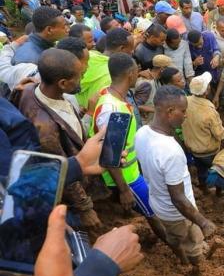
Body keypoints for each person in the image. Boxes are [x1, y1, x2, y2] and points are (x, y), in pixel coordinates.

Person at [11, 45, 103, 229]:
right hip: (67, 198)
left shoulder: (30, 88)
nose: (83, 79)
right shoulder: (45, 128)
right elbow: (61, 169)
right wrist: (85, 209)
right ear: (62, 83)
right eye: (80, 77)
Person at [136, 85, 216, 267]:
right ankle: (197, 269)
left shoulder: (142, 133)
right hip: (177, 214)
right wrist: (203, 223)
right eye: (183, 111)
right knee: (194, 243)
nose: (186, 115)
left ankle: (181, 257)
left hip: (157, 204)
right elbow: (179, 198)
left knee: (173, 237)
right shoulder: (170, 152)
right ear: (170, 112)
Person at [89, 53, 166, 240]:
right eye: (137, 72)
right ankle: (180, 253)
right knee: (154, 214)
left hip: (128, 171)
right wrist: (124, 189)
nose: (139, 75)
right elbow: (110, 155)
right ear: (130, 74)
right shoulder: (116, 111)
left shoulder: (106, 93)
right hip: (127, 177)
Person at [183, 72, 224, 192]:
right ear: (207, 90)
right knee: (217, 172)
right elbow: (220, 134)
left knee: (201, 170)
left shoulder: (185, 102)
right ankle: (218, 192)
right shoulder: (209, 112)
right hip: (208, 151)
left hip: (192, 148)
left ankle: (204, 189)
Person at [76, 28, 135, 109]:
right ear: (122, 48)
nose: (132, 52)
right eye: (131, 49)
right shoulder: (113, 75)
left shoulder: (87, 57)